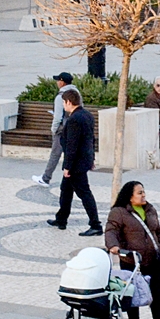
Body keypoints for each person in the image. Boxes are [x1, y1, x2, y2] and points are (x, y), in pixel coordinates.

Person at [103, 180, 160, 319]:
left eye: (143, 192)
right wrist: (113, 246)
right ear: (130, 196)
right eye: (139, 192)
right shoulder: (119, 212)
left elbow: (157, 233)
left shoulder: (150, 209)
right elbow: (111, 230)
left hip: (152, 260)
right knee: (132, 297)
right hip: (131, 261)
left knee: (156, 295)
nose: (143, 195)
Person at [45, 88, 101, 236]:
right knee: (66, 190)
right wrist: (92, 158)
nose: (63, 105)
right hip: (83, 160)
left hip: (76, 164)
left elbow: (72, 145)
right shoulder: (87, 115)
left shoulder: (74, 119)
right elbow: (91, 140)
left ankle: (95, 224)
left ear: (69, 102)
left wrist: (67, 167)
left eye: (64, 102)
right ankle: (61, 219)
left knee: (84, 193)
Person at [31, 72, 74, 189]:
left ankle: (46, 178)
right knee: (71, 154)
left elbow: (58, 116)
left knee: (55, 154)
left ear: (62, 82)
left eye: (58, 80)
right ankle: (72, 177)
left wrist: (54, 129)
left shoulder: (60, 97)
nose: (57, 83)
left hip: (62, 130)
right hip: (73, 128)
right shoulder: (76, 94)